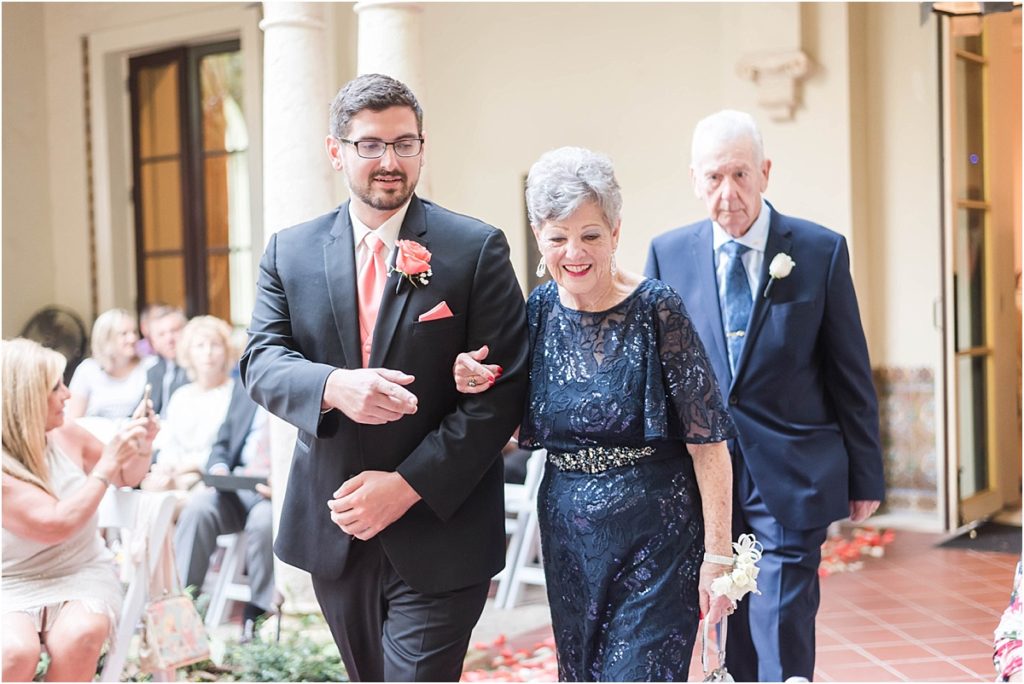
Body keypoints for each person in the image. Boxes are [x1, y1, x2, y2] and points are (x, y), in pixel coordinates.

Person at [239, 73, 529, 682]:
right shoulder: (287, 252)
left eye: (404, 144)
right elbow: (261, 361)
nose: (388, 161)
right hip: (335, 528)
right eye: (370, 145)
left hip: (441, 528)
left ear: (422, 147)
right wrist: (332, 386)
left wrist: (405, 486)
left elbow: (503, 392)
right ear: (336, 151)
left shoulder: (475, 249)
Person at [453, 146, 736, 681]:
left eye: (590, 235)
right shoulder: (535, 312)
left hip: (657, 537)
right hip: (569, 540)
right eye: (559, 237)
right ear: (540, 239)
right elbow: (513, 424)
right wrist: (470, 382)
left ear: (615, 232)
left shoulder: (658, 308)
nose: (574, 252)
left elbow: (709, 442)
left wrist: (718, 558)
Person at [644, 109, 885, 681]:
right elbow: (659, 378)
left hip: (794, 467)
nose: (727, 194)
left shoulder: (821, 252)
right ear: (694, 179)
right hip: (706, 474)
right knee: (731, 612)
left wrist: (865, 476)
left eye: (740, 175)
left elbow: (849, 371)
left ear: (765, 172)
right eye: (713, 178)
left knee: (782, 614)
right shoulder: (668, 254)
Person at [2, 338, 158, 681]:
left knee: (83, 634)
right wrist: (106, 467)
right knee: (13, 653)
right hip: (9, 582)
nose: (68, 395)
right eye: (56, 386)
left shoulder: (66, 434)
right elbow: (56, 524)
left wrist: (141, 447)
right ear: (26, 398)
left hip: (80, 572)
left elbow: (124, 475)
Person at [174, 380, 275, 642]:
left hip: (276, 492)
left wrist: (284, 481)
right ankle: (183, 610)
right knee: (198, 509)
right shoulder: (248, 384)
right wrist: (218, 468)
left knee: (265, 523)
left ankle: (257, 618)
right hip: (236, 483)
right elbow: (223, 441)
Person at [143, 315, 234, 495]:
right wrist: (166, 468)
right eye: (200, 346)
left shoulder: (234, 394)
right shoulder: (181, 396)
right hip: (175, 472)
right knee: (149, 489)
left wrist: (188, 469)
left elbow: (226, 449)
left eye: (215, 345)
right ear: (188, 353)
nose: (207, 352)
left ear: (226, 351)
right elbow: (171, 443)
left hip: (208, 477)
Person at [67, 308, 148, 420]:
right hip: (94, 435)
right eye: (124, 334)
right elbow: (73, 419)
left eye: (134, 332)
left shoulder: (147, 366)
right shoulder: (87, 370)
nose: (132, 338)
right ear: (106, 337)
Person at [141, 305, 189, 417]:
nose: (169, 339)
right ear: (153, 341)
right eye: (161, 334)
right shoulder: (153, 371)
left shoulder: (198, 368)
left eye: (174, 331)